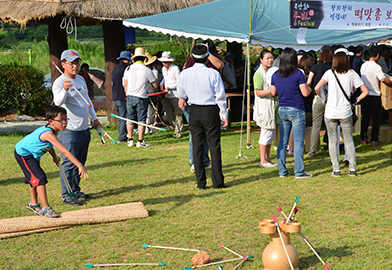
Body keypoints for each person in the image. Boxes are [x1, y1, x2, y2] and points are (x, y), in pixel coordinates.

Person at [15, 106, 88, 217]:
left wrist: (54, 155)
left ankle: (33, 204)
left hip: (32, 155)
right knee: (39, 178)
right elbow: (65, 151)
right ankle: (46, 208)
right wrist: (79, 165)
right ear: (51, 121)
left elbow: (49, 144)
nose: (64, 123)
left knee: (34, 178)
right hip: (24, 154)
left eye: (66, 119)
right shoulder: (49, 133)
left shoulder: (53, 130)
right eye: (61, 120)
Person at [53, 49, 100, 206]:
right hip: (69, 131)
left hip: (84, 129)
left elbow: (87, 102)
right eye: (71, 63)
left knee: (80, 161)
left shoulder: (80, 79)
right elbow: (57, 103)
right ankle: (66, 194)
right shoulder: (59, 82)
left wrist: (94, 118)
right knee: (68, 162)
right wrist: (65, 89)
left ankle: (75, 189)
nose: (75, 66)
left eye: (77, 62)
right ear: (63, 64)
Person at [177, 44, 228, 189]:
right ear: (207, 59)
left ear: (192, 57)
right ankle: (218, 181)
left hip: (194, 110)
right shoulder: (213, 74)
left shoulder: (185, 73)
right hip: (210, 110)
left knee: (197, 146)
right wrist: (224, 114)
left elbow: (181, 93)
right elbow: (220, 96)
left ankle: (200, 182)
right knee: (214, 146)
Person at [315, 48, 369, 176]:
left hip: (331, 112)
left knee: (333, 142)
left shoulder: (329, 73)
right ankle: (352, 168)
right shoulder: (351, 74)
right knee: (349, 140)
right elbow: (365, 91)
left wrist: (324, 98)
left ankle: (336, 169)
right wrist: (355, 100)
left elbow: (317, 88)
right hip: (345, 112)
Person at [270, 47, 313, 179]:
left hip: (282, 109)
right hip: (296, 109)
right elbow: (305, 93)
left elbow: (273, 93)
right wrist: (310, 87)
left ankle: (282, 170)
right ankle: (299, 171)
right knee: (299, 142)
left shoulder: (275, 75)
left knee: (282, 142)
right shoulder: (298, 74)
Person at [183, 40, 223, 173]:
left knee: (202, 139)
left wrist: (206, 53)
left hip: (199, 106)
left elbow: (219, 65)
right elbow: (220, 95)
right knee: (203, 140)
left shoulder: (213, 63)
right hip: (202, 106)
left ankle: (202, 169)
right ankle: (196, 163)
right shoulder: (210, 72)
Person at [123, 47, 159, 147]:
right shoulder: (147, 70)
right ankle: (140, 141)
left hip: (130, 95)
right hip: (142, 96)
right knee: (141, 119)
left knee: (129, 118)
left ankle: (130, 140)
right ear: (144, 59)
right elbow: (155, 85)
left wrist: (127, 94)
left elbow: (125, 84)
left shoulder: (128, 69)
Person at [360, 46, 392, 146]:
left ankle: (363, 138)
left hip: (365, 94)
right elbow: (382, 79)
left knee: (365, 117)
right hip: (375, 95)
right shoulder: (377, 67)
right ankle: (374, 139)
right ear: (378, 55)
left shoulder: (363, 65)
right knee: (376, 118)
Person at [307, 49, 333, 156]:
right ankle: (330, 147)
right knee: (330, 124)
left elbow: (308, 81)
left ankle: (312, 149)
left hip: (317, 98)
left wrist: (312, 88)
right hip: (330, 98)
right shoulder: (332, 68)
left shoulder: (315, 67)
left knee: (316, 125)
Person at [253, 49, 277, 168]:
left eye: (271, 58)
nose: (270, 60)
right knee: (265, 134)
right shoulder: (259, 73)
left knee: (271, 134)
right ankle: (263, 160)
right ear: (261, 60)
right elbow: (257, 92)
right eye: (267, 58)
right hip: (264, 108)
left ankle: (267, 158)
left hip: (271, 107)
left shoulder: (272, 71)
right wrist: (271, 91)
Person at [158, 51, 183, 138]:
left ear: (170, 61)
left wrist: (169, 87)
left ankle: (179, 131)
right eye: (163, 62)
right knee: (168, 114)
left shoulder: (175, 69)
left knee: (177, 113)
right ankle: (176, 128)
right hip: (167, 95)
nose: (163, 63)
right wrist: (161, 84)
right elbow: (165, 78)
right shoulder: (163, 69)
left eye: (165, 62)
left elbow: (179, 82)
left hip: (175, 95)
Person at [112, 51, 132, 143]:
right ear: (128, 59)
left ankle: (122, 135)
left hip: (115, 96)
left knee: (120, 117)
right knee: (123, 117)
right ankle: (122, 137)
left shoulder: (115, 69)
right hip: (122, 96)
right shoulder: (126, 69)